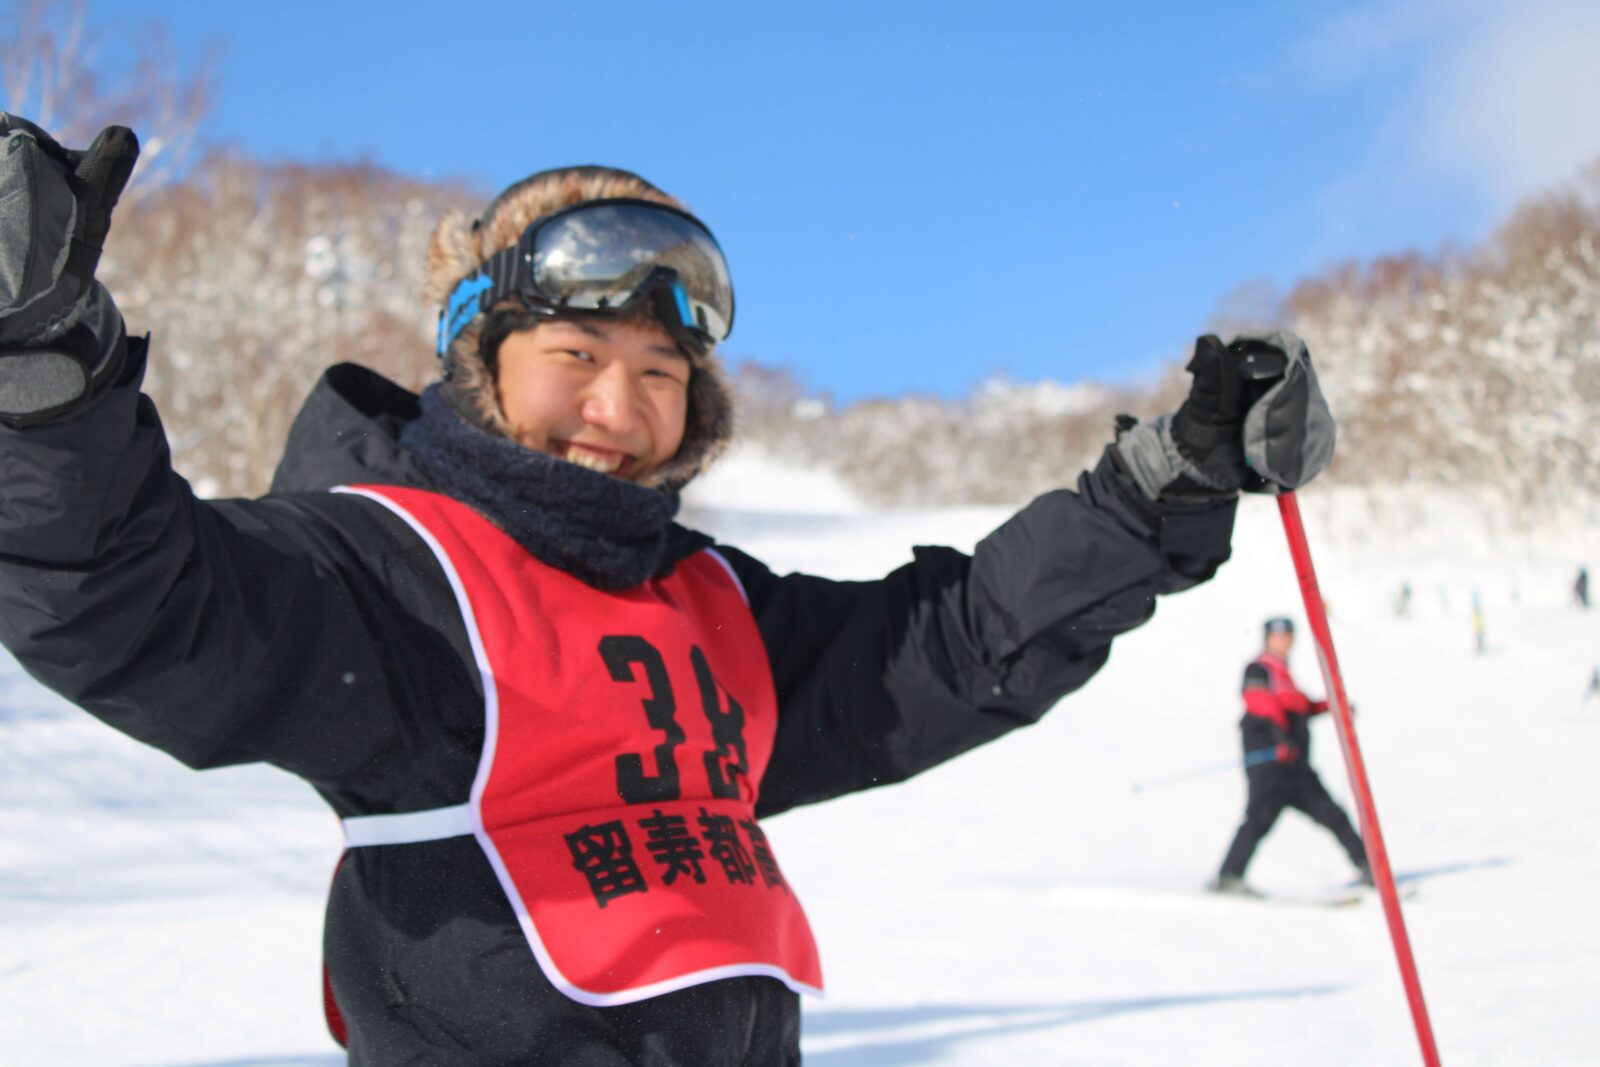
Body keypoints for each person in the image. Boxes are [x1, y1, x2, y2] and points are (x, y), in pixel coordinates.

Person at [0, 116, 1335, 1065]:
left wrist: (1162, 487)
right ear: (478, 358)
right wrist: (47, 381)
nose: (618, 407)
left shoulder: (710, 601)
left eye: (659, 372)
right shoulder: (391, 576)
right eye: (575, 354)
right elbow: (132, 604)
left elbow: (954, 642)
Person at [1211, 617, 1369, 895]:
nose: (1284, 641)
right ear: (1267, 638)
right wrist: (1280, 736)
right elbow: (1259, 702)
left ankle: (1371, 870)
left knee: (1333, 815)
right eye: (1278, 636)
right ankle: (1228, 877)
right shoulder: (1259, 668)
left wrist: (1334, 706)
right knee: (1259, 818)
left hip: (1297, 767)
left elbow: (1301, 706)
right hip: (1270, 766)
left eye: (1287, 636)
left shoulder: (1284, 675)